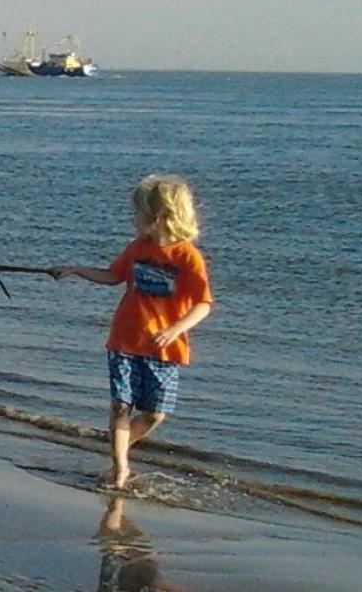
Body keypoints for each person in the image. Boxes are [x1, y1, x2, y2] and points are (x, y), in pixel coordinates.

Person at [53, 175, 214, 490]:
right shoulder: (138, 248)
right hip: (125, 340)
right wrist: (74, 270)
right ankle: (120, 468)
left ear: (159, 216)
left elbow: (203, 304)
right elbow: (113, 276)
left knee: (155, 413)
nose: (133, 221)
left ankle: (120, 447)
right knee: (121, 406)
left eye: (137, 215)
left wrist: (175, 328)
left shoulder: (187, 256)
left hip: (164, 347)